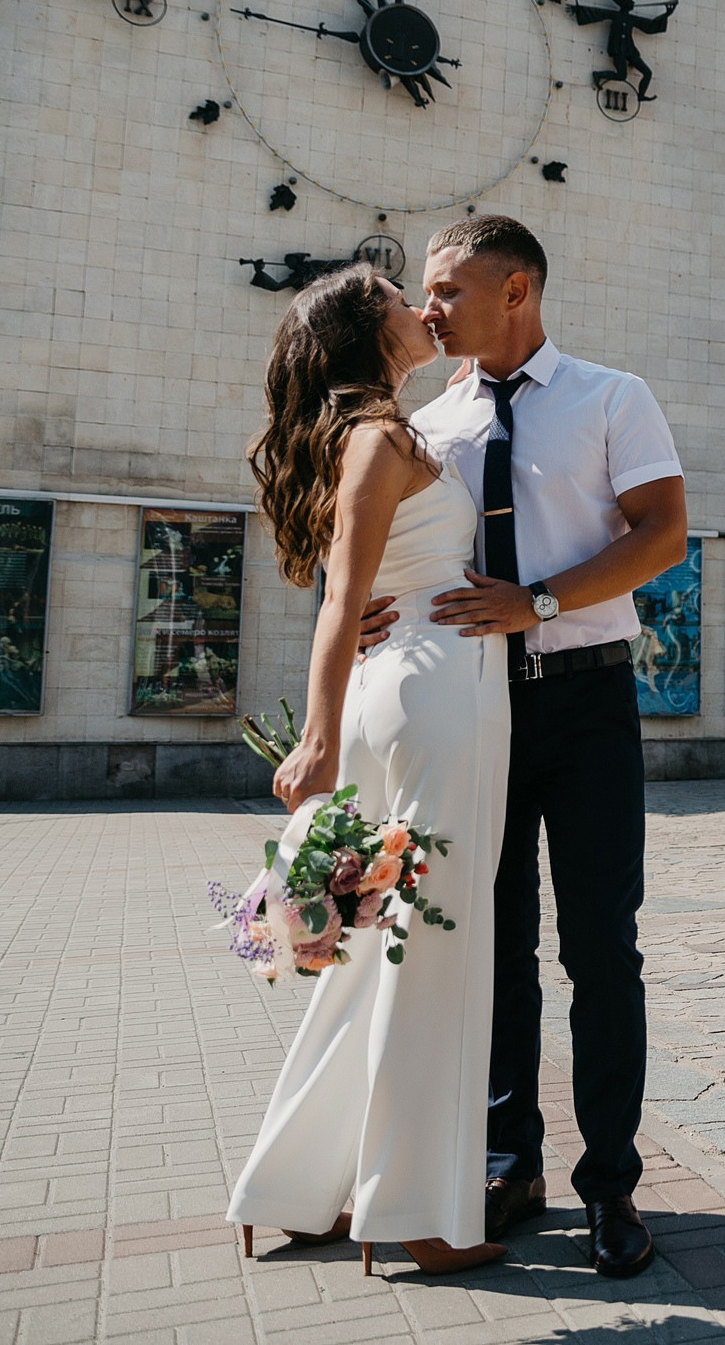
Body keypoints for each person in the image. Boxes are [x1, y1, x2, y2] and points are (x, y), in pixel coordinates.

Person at [359, 214, 686, 1279]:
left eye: (448, 289)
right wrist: (366, 608)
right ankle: (512, 1165)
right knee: (489, 953)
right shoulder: (431, 421)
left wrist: (537, 602)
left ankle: (613, 1188)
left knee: (602, 952)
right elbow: (390, 542)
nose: (428, 307)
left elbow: (660, 534)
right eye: (425, 289)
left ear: (519, 290)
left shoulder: (610, 396)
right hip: (476, 710)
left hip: (586, 705)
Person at [225, 267, 510, 1278]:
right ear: (366, 329)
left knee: (372, 955)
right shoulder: (383, 438)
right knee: (435, 957)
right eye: (399, 294)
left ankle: (297, 1186)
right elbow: (345, 592)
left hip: (406, 687)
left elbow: (351, 593)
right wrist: (312, 738)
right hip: (441, 696)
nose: (418, 307)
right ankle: (415, 1212)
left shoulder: (377, 432)